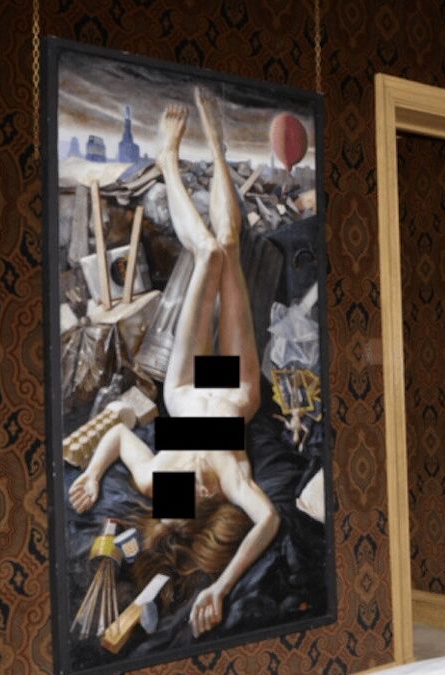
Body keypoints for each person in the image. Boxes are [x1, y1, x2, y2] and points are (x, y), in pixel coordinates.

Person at [68, 87, 280, 639]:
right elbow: (268, 520)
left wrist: (92, 473)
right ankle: (215, 143)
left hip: (186, 389)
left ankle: (167, 159)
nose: (192, 489)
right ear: (206, 505)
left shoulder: (159, 484)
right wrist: (221, 586)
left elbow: (120, 438)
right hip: (231, 390)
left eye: (180, 497)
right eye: (193, 498)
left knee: (206, 253)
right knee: (227, 246)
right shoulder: (229, 480)